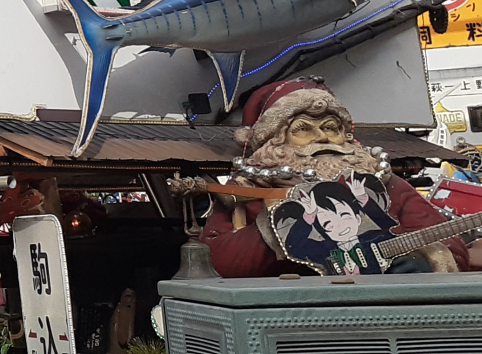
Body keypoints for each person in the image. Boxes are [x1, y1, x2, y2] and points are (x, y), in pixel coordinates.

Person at [201, 79, 468, 276]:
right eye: (303, 129)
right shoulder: (247, 190)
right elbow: (214, 259)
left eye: (330, 127)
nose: (321, 137)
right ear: (276, 141)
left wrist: (409, 253)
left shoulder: (385, 184)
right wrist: (275, 228)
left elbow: (450, 245)